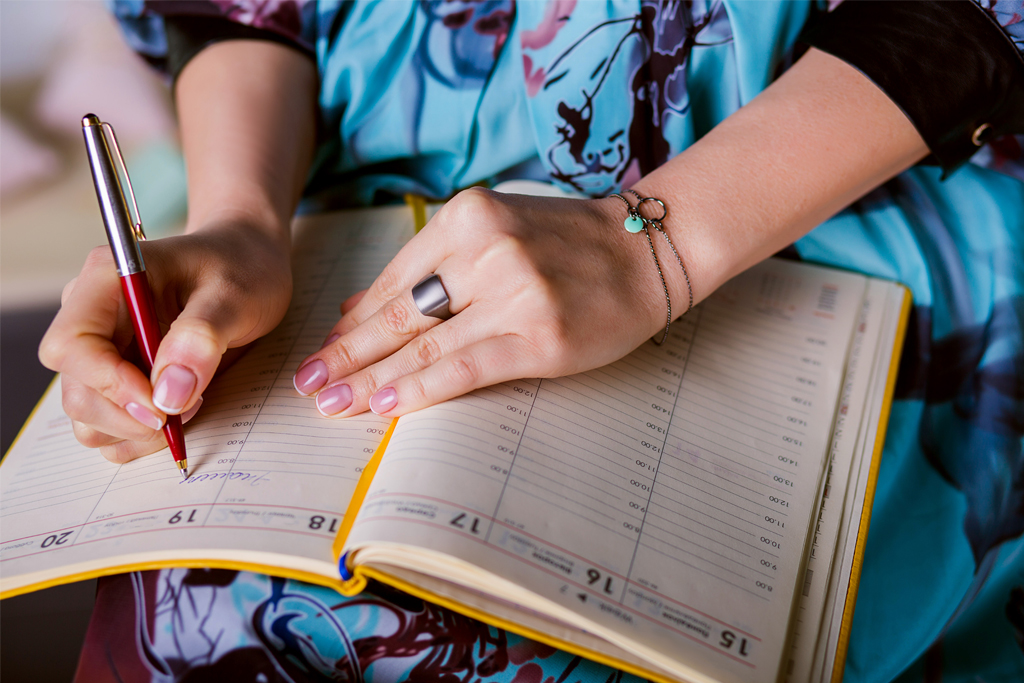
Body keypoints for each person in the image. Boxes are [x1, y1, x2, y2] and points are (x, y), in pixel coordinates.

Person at [39, 1, 1024, 681]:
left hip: (824, 203)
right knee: (204, 618)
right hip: (345, 218)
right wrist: (241, 218)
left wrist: (659, 243)